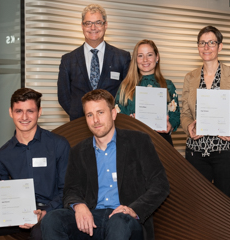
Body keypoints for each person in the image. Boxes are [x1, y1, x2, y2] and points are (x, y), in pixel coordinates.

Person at [41, 89, 170, 240]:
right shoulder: (78, 151)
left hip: (125, 219)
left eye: (100, 112)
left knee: (118, 222)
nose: (95, 120)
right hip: (92, 218)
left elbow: (160, 185)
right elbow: (71, 190)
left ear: (113, 114)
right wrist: (78, 205)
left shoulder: (139, 142)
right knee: (52, 220)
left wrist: (133, 209)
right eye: (90, 115)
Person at [0, 88, 70, 240]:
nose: (24, 117)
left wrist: (44, 213)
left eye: (30, 111)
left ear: (39, 112)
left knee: (40, 233)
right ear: (11, 112)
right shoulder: (2, 155)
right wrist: (1, 200)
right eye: (19, 111)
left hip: (51, 210)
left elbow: (66, 189)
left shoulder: (59, 145)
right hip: (17, 211)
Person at [180, 26, 230, 200]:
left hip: (225, 153)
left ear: (220, 46)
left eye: (211, 43)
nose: (206, 47)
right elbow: (184, 113)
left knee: (225, 209)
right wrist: (188, 126)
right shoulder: (190, 77)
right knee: (197, 207)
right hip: (196, 153)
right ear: (197, 47)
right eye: (202, 43)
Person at [58, 4, 131, 121]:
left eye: (98, 22)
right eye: (88, 23)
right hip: (79, 125)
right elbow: (63, 96)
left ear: (105, 25)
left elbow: (127, 94)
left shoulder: (122, 57)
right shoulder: (68, 60)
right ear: (82, 26)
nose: (93, 28)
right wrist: (80, 115)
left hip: (112, 125)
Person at [114, 39, 180, 145]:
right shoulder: (125, 86)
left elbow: (175, 115)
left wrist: (170, 124)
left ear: (157, 57)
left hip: (161, 142)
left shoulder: (168, 85)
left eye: (149, 55)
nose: (145, 60)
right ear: (135, 59)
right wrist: (130, 120)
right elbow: (118, 114)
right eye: (140, 55)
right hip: (132, 141)